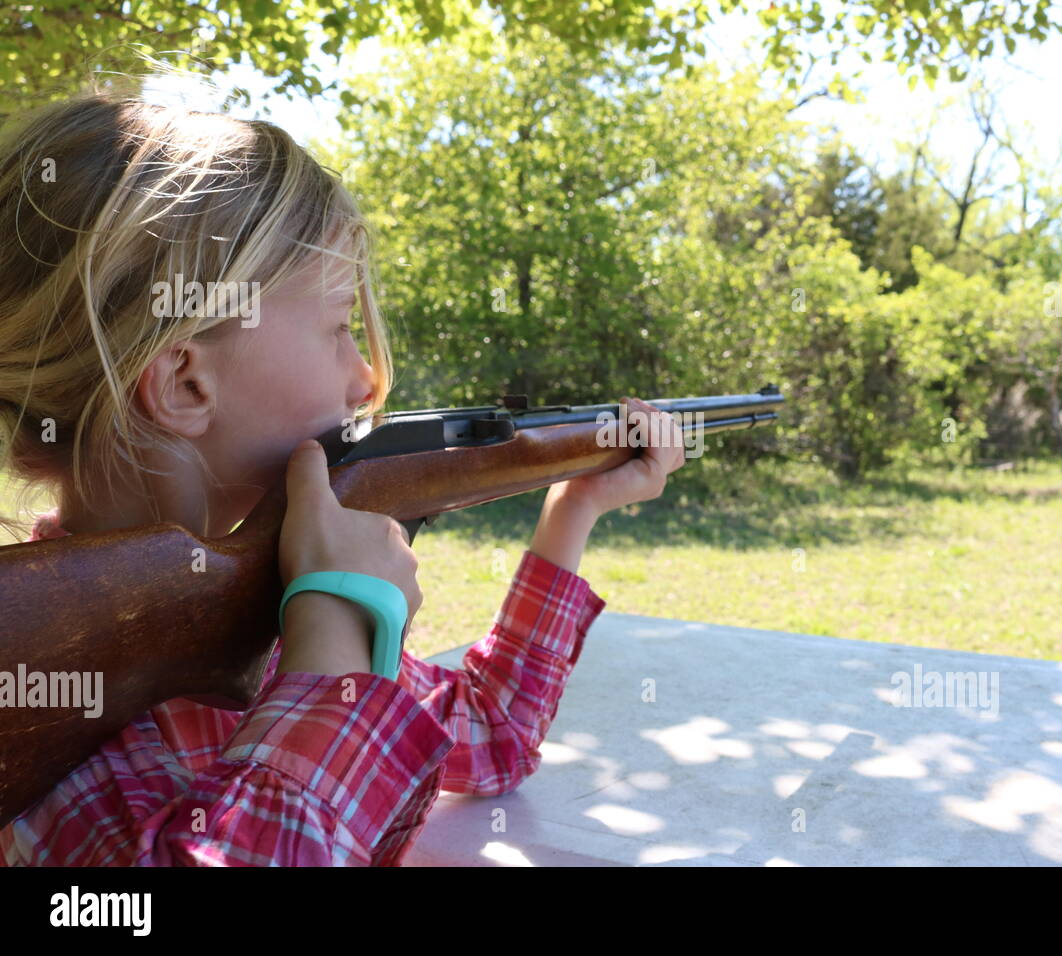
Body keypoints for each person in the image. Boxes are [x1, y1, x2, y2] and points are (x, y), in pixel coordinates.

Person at [0, 80, 685, 866]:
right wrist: (330, 645)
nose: (367, 380)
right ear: (186, 383)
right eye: (336, 327)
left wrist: (574, 507)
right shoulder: (50, 698)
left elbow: (490, 737)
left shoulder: (255, 614)